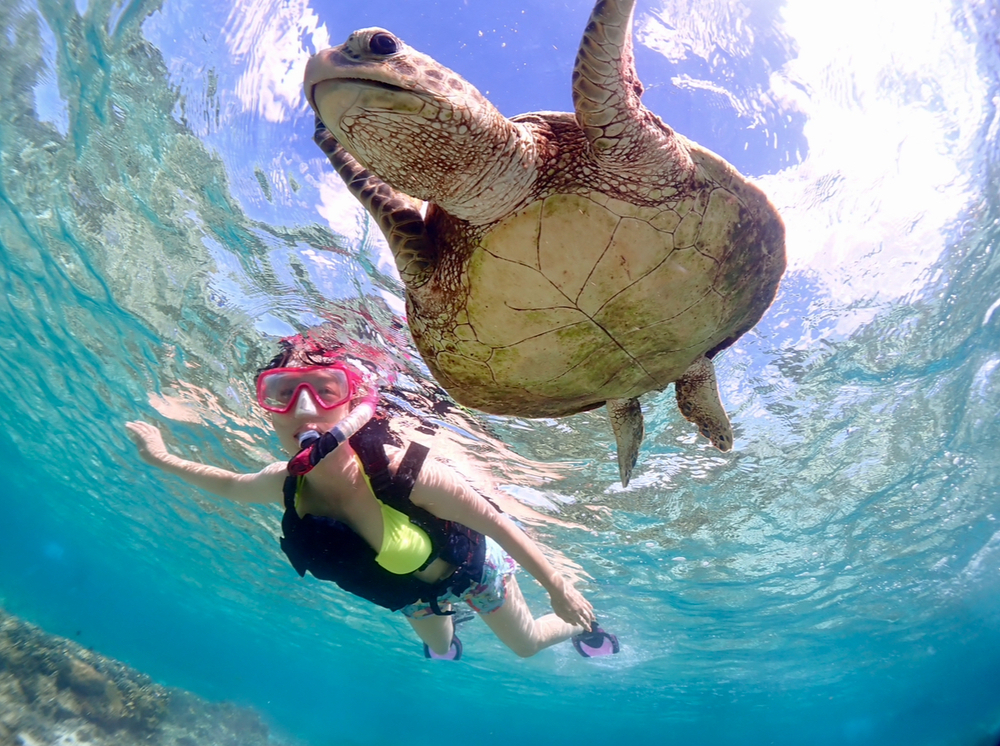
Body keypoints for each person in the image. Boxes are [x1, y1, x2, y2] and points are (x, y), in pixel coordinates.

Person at [126, 329, 619, 660]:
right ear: (268, 409)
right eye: (282, 393)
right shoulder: (287, 484)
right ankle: (448, 634)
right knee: (441, 649)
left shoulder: (404, 473)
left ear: (353, 404)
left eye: (326, 389)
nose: (304, 410)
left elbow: (497, 523)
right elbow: (231, 485)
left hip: (471, 571)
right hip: (409, 594)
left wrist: (557, 587)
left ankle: (583, 626)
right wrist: (160, 457)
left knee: (526, 646)